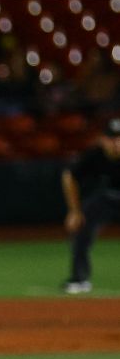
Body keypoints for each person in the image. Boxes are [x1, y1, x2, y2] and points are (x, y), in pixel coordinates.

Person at [61, 118, 120, 294]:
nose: (117, 142)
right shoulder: (94, 155)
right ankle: (79, 279)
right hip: (104, 199)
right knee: (81, 227)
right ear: (103, 139)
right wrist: (74, 211)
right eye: (112, 138)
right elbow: (69, 177)